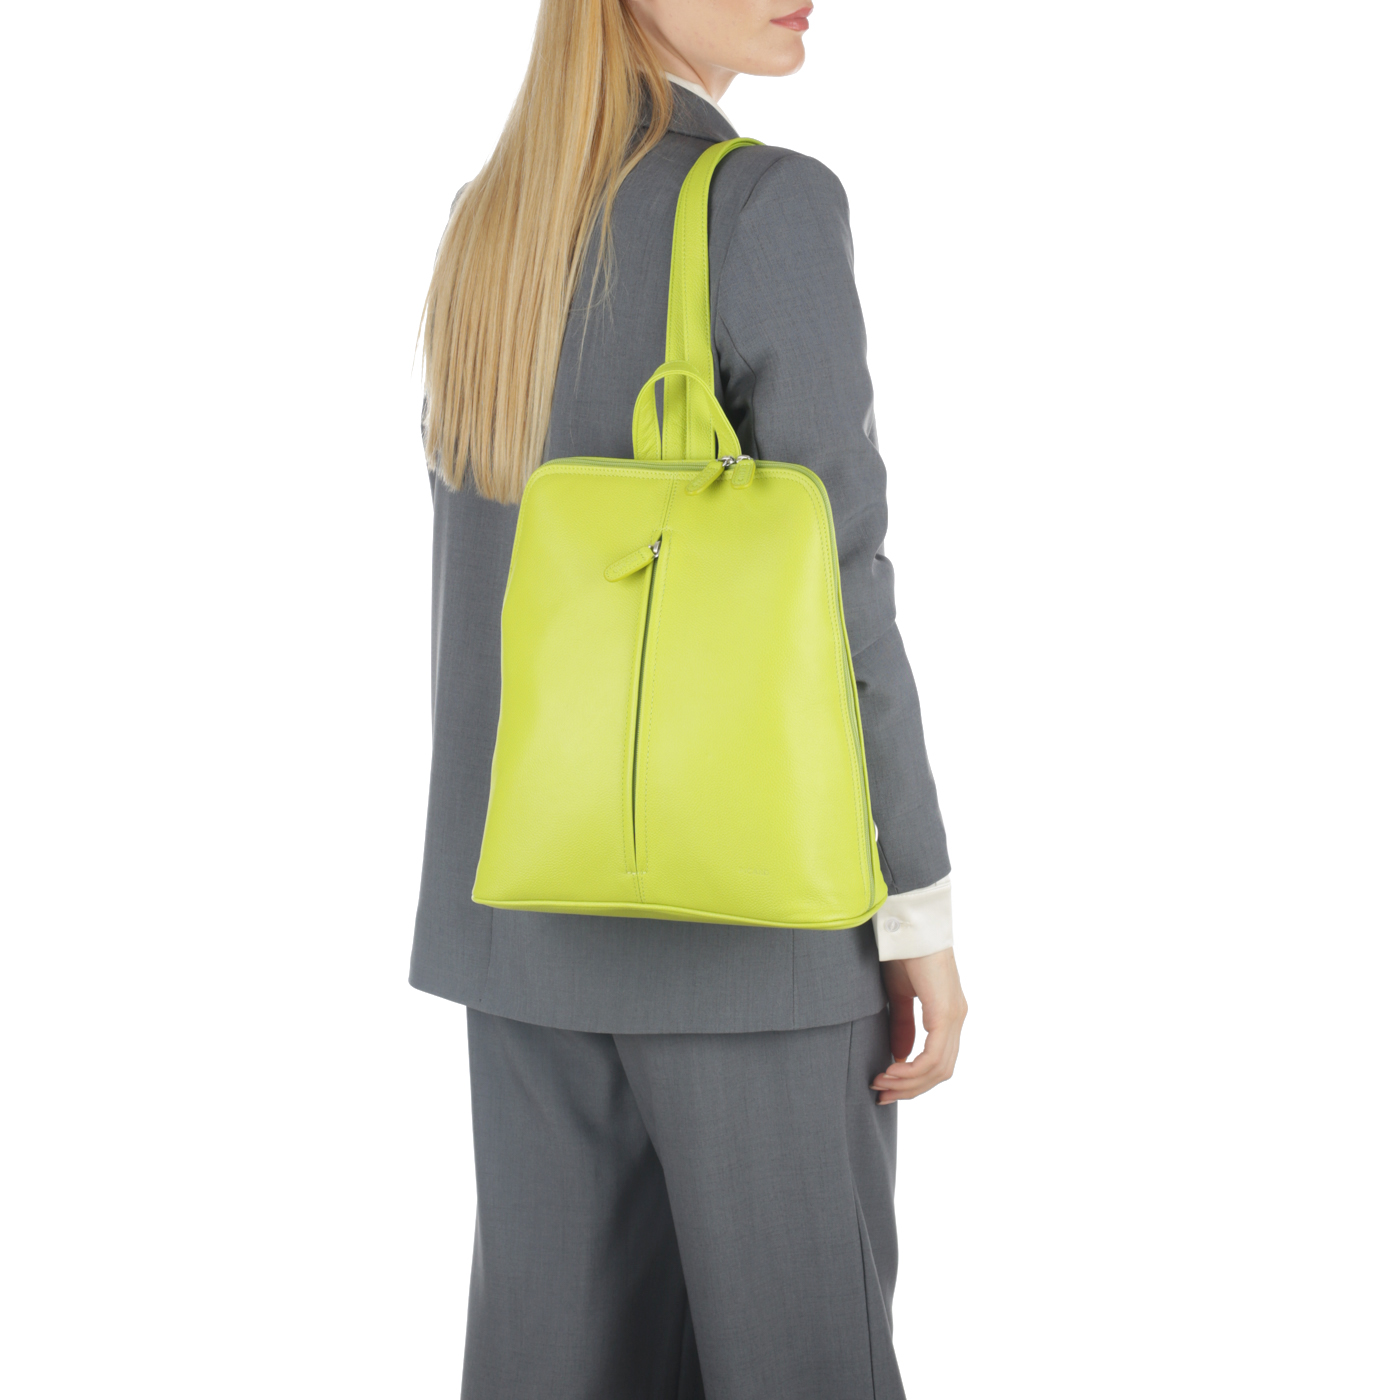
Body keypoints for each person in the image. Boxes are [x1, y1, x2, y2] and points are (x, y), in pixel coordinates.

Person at [413, 1, 968, 1395]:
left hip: (520, 928)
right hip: (755, 937)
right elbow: (842, 583)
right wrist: (916, 907)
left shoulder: (494, 223)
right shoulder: (762, 206)